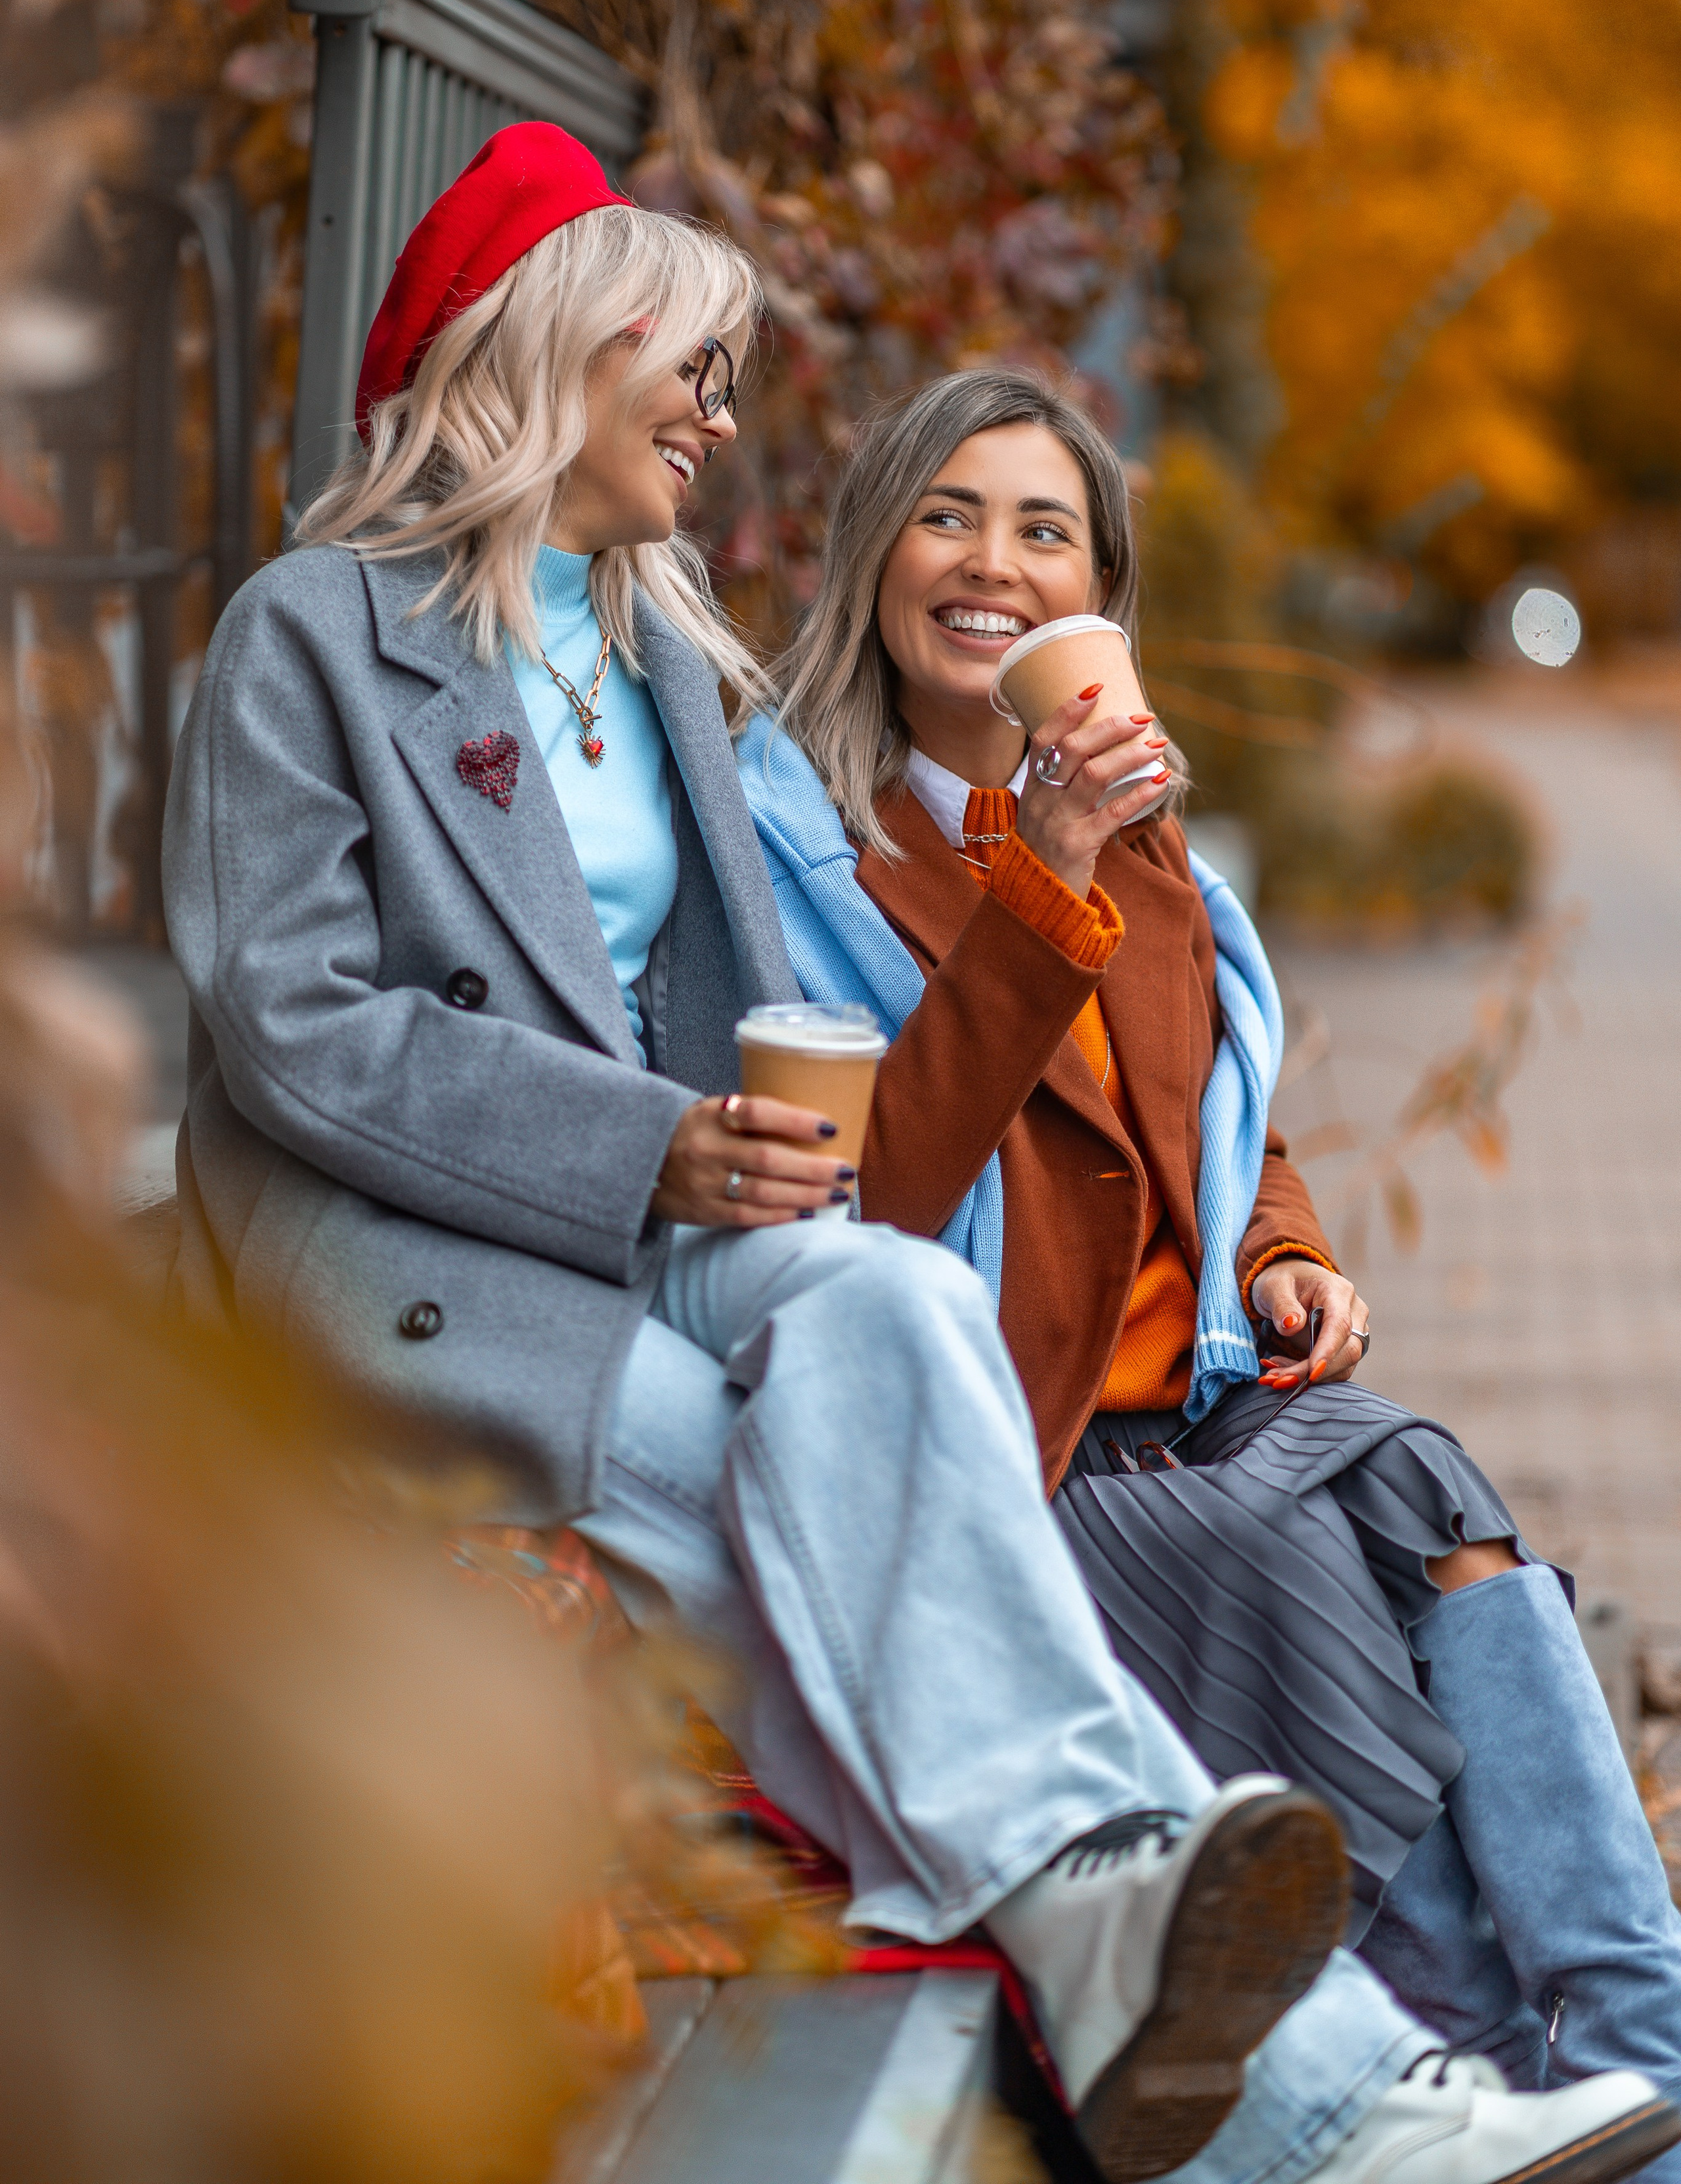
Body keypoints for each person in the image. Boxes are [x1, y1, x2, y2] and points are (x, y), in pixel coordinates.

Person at [162, 130, 1670, 2184]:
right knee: (885, 1543)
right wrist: (670, 1142)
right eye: (679, 366)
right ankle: (1334, 2098)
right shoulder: (317, 633)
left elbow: (1037, 1102)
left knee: (893, 1311)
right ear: (539, 353)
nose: (714, 410)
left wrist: (842, 1082)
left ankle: (1448, 2055)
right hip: (434, 1247)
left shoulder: (664, 656)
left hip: (688, 1216)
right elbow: (301, 1032)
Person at [744, 364, 1681, 2179]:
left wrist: (1286, 1253)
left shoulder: (1142, 838)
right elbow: (878, 1191)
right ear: (873, 554)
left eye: (1046, 532)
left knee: (1418, 1480)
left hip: (1197, 1408)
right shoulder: (811, 851)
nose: (993, 564)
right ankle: (1466, 2060)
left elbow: (1218, 1119)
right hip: (1010, 1452)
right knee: (1280, 1552)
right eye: (950, 514)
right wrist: (1046, 883)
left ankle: (1640, 2033)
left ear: (1097, 595)